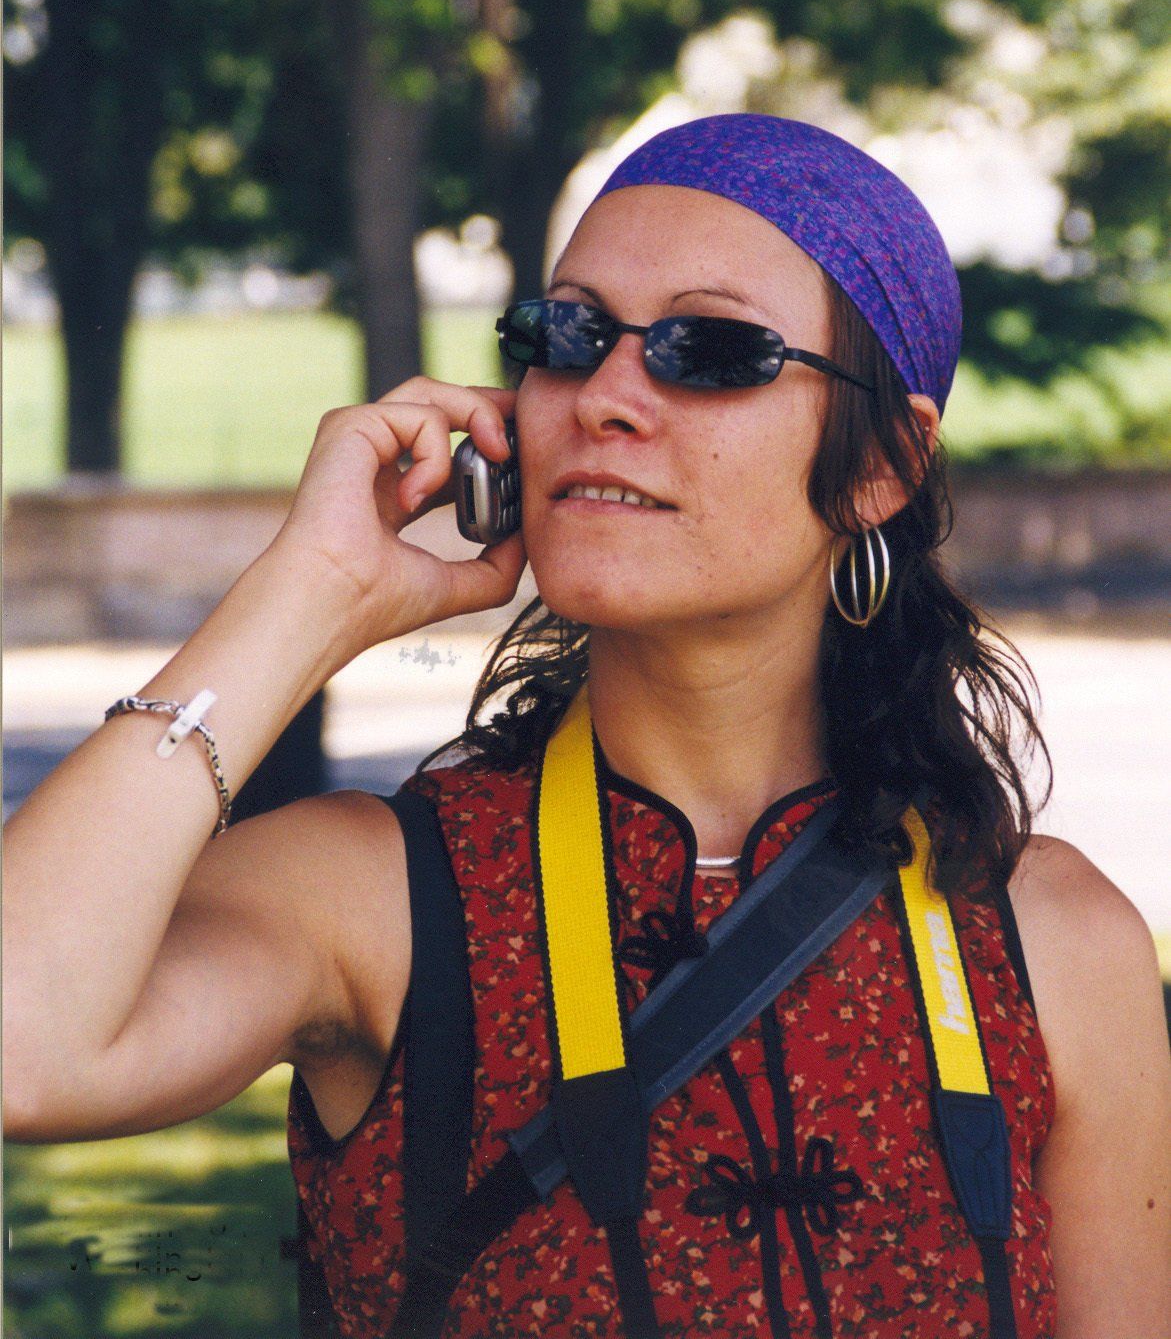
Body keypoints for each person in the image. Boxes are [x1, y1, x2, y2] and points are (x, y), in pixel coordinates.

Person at [4, 115, 1169, 1339]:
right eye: (565, 335)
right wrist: (310, 593)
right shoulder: (376, 901)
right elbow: (22, 1045)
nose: (606, 394)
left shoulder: (1050, 948)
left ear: (882, 460)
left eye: (708, 349)